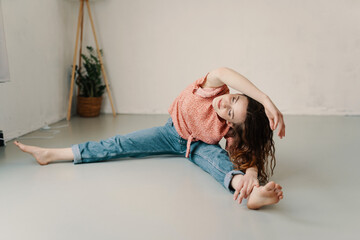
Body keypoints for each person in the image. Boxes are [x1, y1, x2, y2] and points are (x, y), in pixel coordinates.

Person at [14, 67, 285, 210]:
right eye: (234, 99)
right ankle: (53, 154)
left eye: (230, 113)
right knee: (119, 144)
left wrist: (250, 172)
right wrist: (265, 99)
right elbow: (223, 69)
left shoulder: (226, 129)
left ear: (231, 123)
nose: (225, 105)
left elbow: (245, 153)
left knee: (219, 164)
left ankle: (252, 193)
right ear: (235, 92)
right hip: (170, 133)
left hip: (198, 146)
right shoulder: (212, 87)